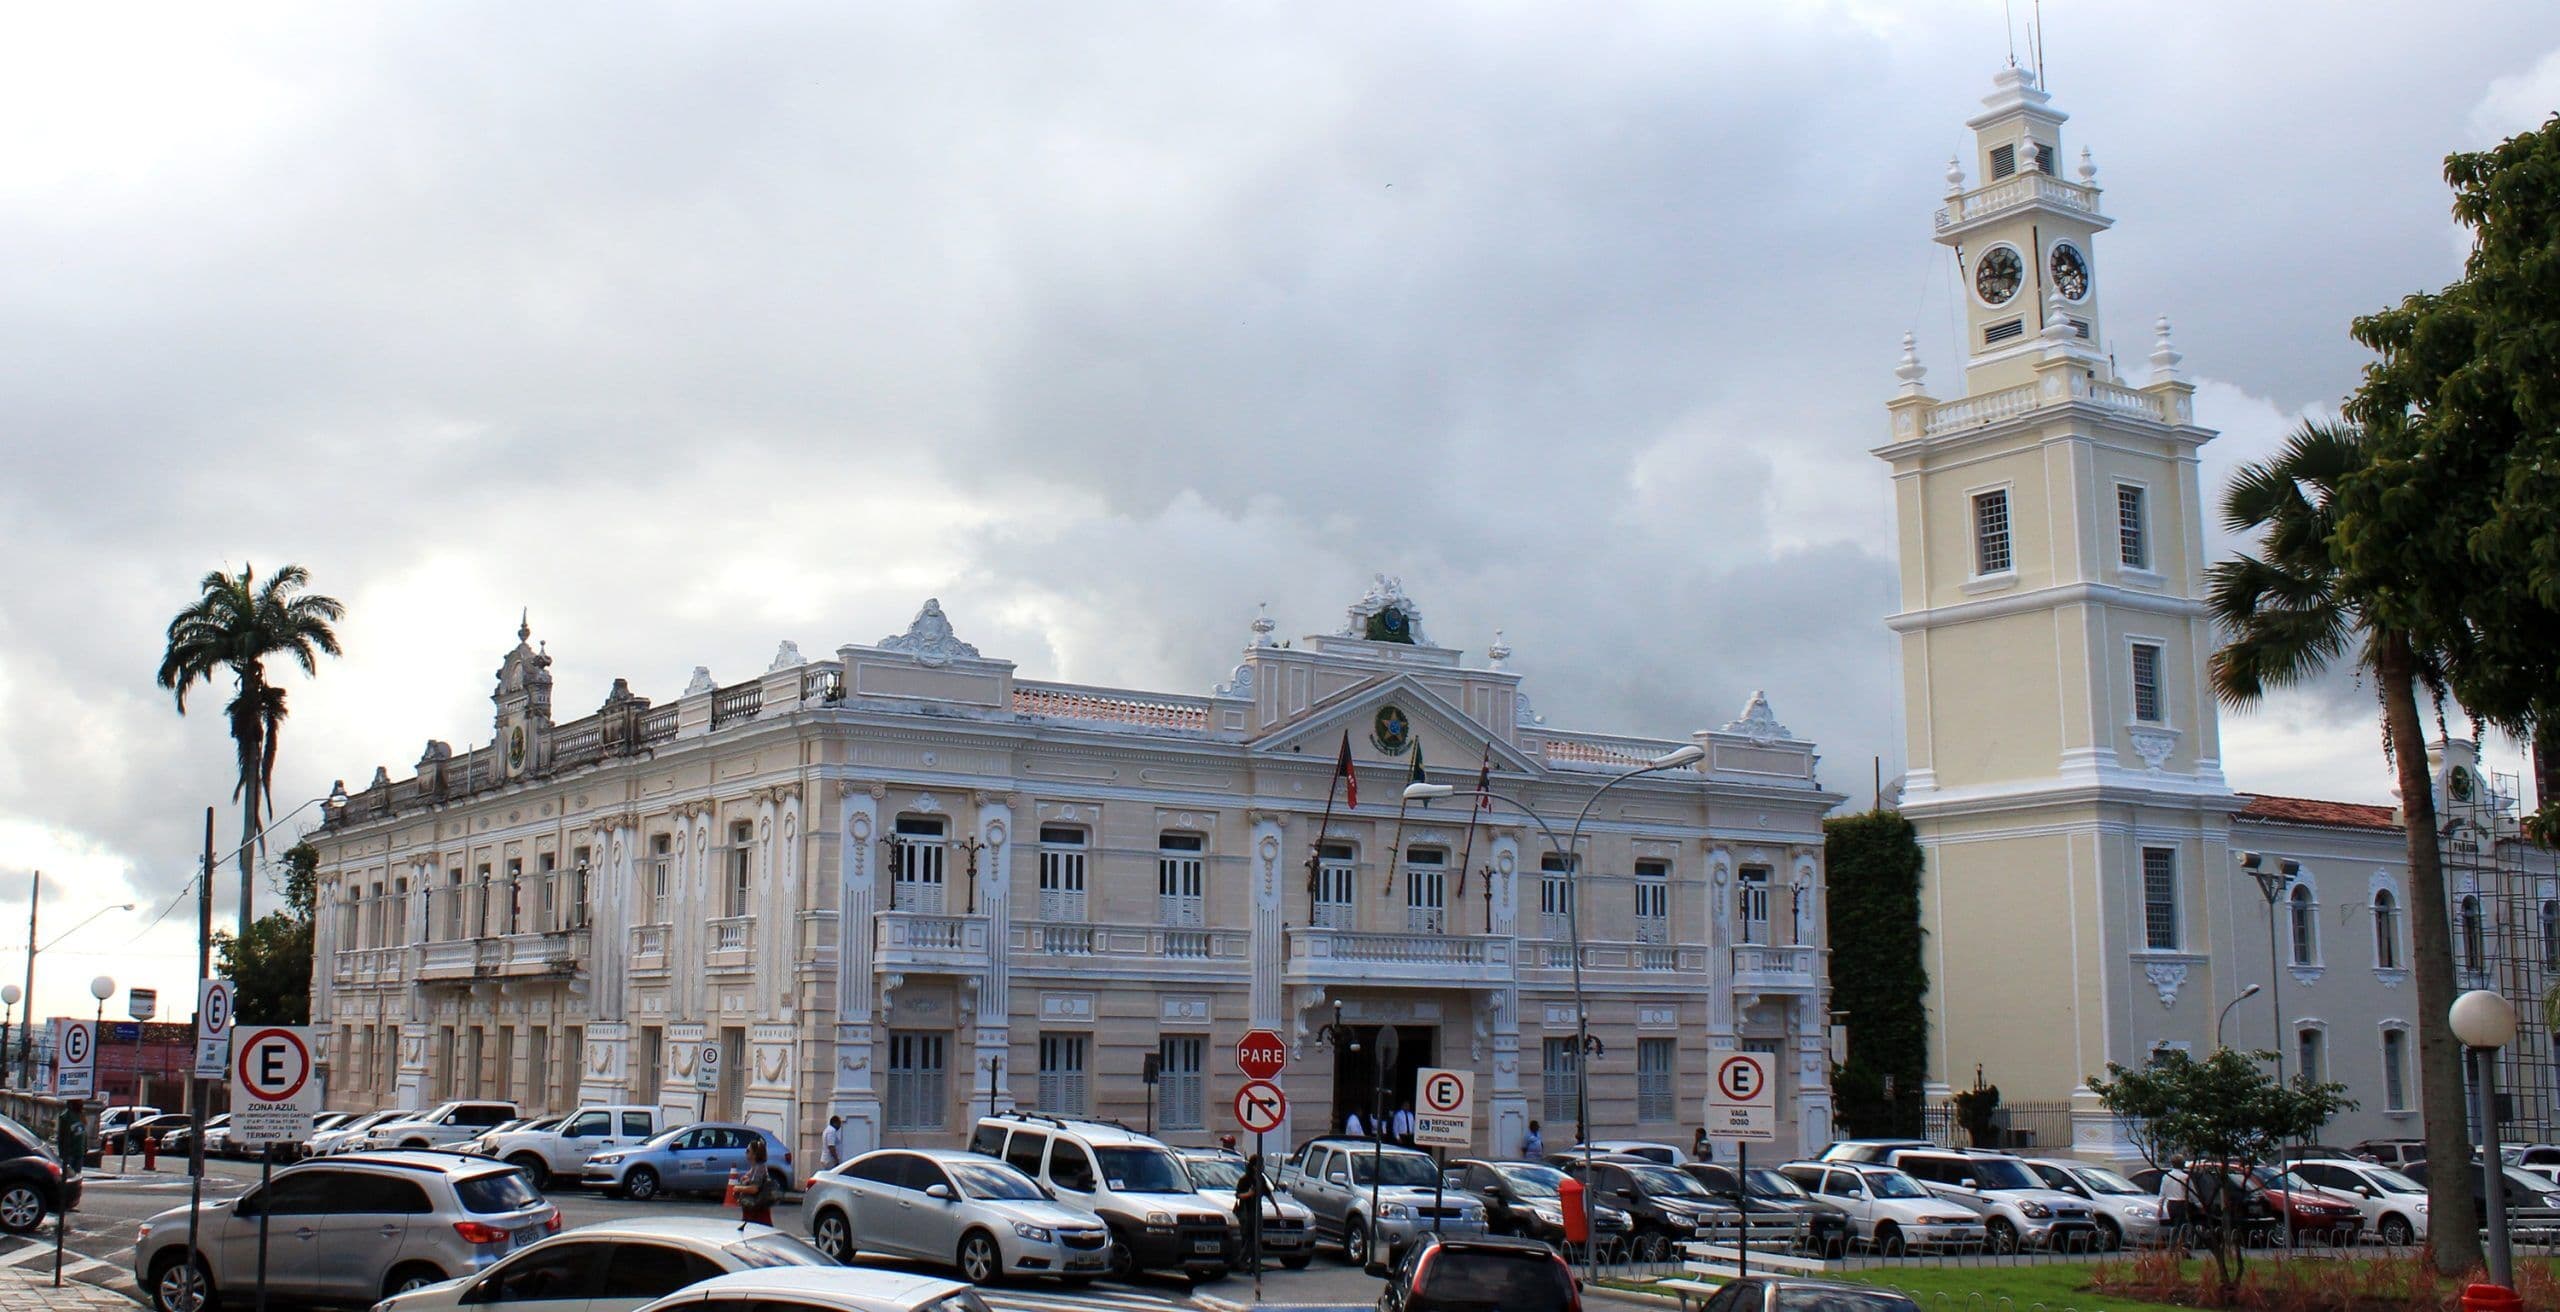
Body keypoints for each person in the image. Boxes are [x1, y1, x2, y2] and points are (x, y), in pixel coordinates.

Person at [733, 1135, 781, 1227]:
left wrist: (738, 1188)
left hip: (757, 1208)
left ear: (754, 1154)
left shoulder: (759, 1168)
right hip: (752, 1210)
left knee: (759, 1229)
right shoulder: (754, 1167)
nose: (745, 1153)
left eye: (748, 1151)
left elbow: (754, 1189)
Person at [1235, 1152, 1271, 1273]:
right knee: (1249, 1238)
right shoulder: (1245, 1180)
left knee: (1257, 1238)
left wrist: (1277, 1208)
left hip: (1257, 1211)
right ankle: (1242, 1262)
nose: (1262, 1167)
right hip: (1247, 1211)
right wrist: (1249, 1194)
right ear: (1254, 1165)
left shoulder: (1260, 1178)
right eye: (1260, 1164)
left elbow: (1268, 1193)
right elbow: (1238, 1195)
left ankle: (1254, 1264)